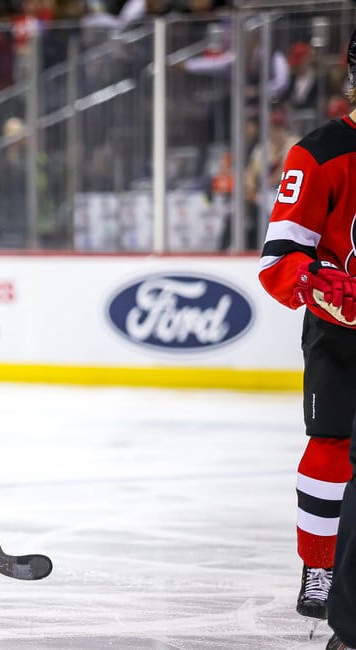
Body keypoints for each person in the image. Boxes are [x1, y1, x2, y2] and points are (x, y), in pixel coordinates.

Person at [258, 29, 356, 650]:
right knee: (330, 449)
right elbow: (279, 260)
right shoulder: (318, 153)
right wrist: (323, 285)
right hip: (341, 334)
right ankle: (320, 566)